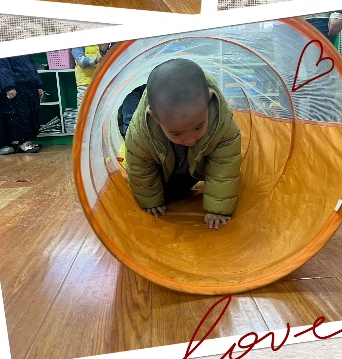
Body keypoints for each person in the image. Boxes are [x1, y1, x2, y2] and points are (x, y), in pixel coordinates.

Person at [125, 59, 242, 230]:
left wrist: (218, 209)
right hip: (165, 173)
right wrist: (150, 202)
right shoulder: (140, 133)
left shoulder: (221, 122)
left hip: (197, 168)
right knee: (169, 191)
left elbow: (225, 163)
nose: (190, 139)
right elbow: (140, 168)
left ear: (208, 101)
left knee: (219, 161)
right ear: (155, 117)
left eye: (198, 127)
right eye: (177, 133)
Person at [0, 55, 44, 153]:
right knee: (20, 115)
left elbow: (32, 66)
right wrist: (9, 86)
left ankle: (28, 141)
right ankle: (22, 142)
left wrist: (38, 84)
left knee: (33, 112)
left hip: (31, 84)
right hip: (16, 86)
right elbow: (3, 68)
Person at [72, 44, 109, 109]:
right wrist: (95, 59)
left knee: (99, 108)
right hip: (85, 83)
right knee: (84, 109)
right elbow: (81, 61)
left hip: (98, 82)